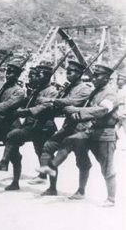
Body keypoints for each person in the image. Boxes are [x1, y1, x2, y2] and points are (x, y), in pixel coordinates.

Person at [37, 64, 119, 207]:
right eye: (94, 75)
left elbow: (102, 110)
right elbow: (87, 109)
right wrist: (77, 114)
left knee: (106, 168)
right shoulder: (95, 92)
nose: (94, 78)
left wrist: (78, 110)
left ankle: (111, 198)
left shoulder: (110, 94)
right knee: (70, 140)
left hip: (105, 135)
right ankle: (52, 167)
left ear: (106, 79)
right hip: (91, 131)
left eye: (98, 76)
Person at [0, 61, 59, 190]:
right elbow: (27, 103)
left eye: (39, 75)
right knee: (14, 137)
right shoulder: (37, 90)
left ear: (47, 76)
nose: (36, 78)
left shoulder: (52, 91)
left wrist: (25, 111)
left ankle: (52, 187)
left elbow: (44, 107)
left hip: (45, 127)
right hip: (33, 126)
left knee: (45, 155)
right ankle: (6, 165)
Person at [34, 60, 93, 195]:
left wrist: (52, 100)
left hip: (80, 127)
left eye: (70, 72)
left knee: (82, 160)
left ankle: (81, 190)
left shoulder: (85, 89)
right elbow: (60, 106)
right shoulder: (68, 88)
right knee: (48, 146)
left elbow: (72, 102)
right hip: (68, 126)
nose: (67, 74)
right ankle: (52, 187)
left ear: (79, 74)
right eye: (67, 71)